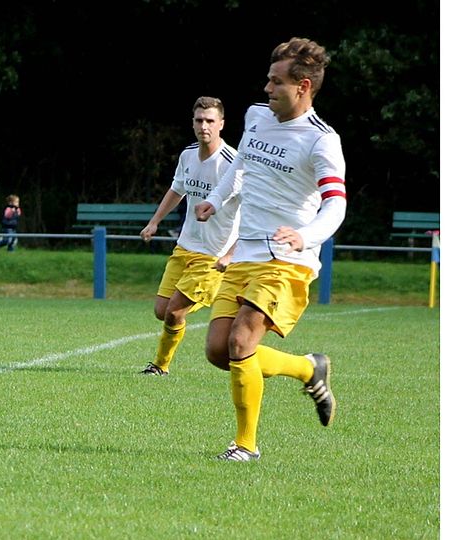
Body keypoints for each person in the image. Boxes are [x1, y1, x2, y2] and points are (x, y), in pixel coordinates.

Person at [193, 37, 345, 461]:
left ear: (303, 87)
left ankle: (245, 445)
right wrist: (217, 200)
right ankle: (306, 368)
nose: (266, 88)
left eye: (276, 82)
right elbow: (242, 166)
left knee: (242, 341)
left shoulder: (322, 142)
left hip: (287, 260)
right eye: (268, 79)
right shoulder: (256, 117)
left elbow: (336, 204)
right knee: (219, 352)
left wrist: (306, 235)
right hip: (245, 254)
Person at [138, 97, 241, 376]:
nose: (203, 126)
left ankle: (160, 366)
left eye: (210, 121)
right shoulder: (188, 155)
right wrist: (155, 221)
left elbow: (253, 212)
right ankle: (213, 294)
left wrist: (231, 254)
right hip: (184, 247)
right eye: (199, 120)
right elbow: (177, 190)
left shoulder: (233, 163)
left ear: (221, 124)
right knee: (162, 311)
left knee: (174, 312)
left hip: (212, 255)